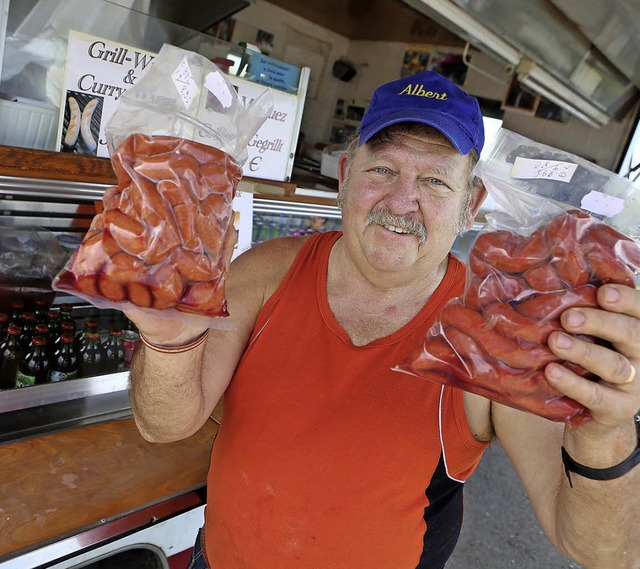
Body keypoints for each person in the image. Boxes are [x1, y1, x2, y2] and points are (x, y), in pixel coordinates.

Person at [126, 70, 640, 569]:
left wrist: (603, 434)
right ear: (347, 176)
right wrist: (169, 341)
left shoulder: (493, 330)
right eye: (382, 169)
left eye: (436, 180)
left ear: (471, 204)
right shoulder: (267, 272)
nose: (401, 200)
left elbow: (598, 551)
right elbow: (164, 425)